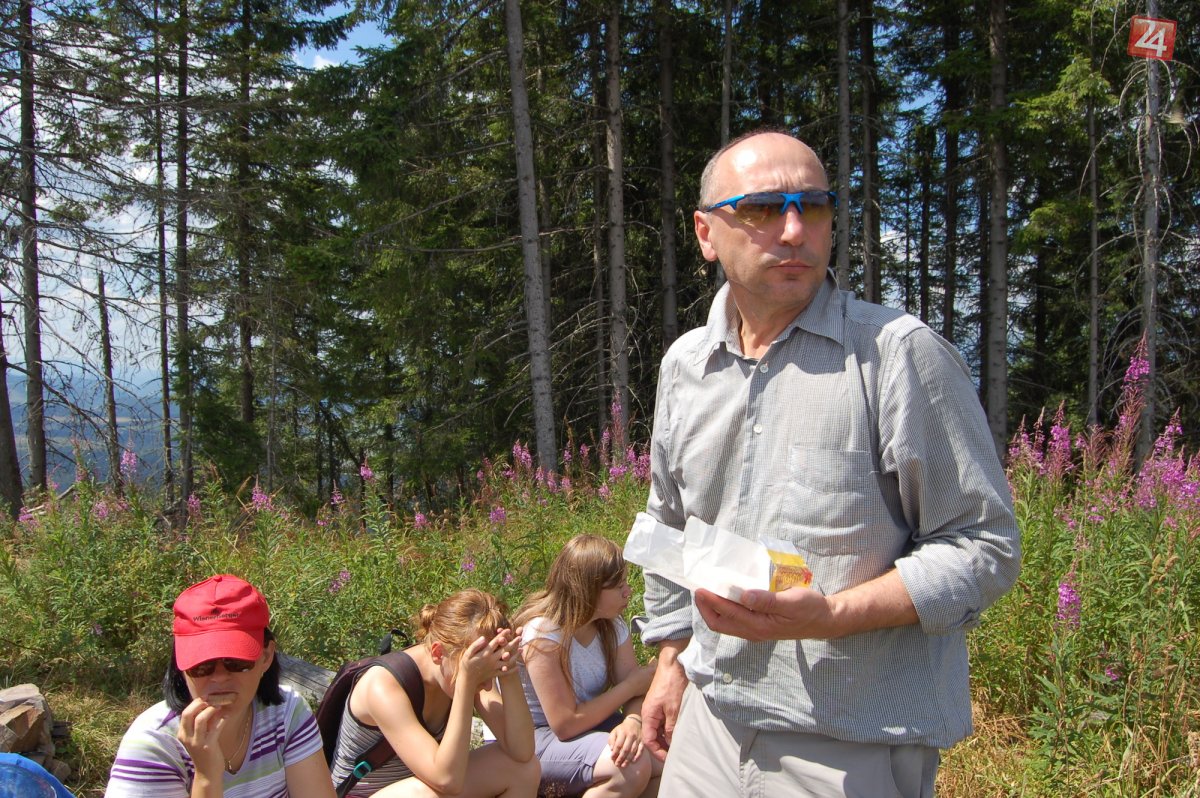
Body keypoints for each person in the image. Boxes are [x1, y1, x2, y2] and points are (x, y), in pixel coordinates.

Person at [636, 129, 1021, 797]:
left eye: (812, 207)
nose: (793, 231)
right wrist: (670, 662)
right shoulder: (686, 366)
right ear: (705, 233)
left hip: (850, 740)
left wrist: (833, 617)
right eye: (762, 208)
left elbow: (984, 545)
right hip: (710, 723)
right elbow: (670, 524)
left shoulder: (897, 355)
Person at [105, 574, 335, 798]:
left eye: (236, 662)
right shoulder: (153, 745)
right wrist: (206, 776)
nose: (220, 677)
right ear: (180, 665)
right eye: (202, 665)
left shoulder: (287, 713)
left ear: (266, 657)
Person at [327, 588, 539, 797]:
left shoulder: (459, 671)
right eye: (478, 673)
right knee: (423, 795)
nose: (487, 686)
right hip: (362, 794)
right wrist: (467, 683)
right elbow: (447, 780)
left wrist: (508, 671)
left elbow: (522, 751)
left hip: (425, 787)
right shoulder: (383, 686)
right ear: (438, 653)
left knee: (524, 769)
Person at [514, 535, 661, 798]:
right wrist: (629, 687)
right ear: (587, 589)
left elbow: (637, 688)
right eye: (618, 586)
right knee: (632, 765)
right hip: (533, 740)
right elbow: (565, 724)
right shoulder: (544, 634)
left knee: (666, 758)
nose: (628, 592)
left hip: (590, 729)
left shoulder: (611, 626)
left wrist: (633, 721)